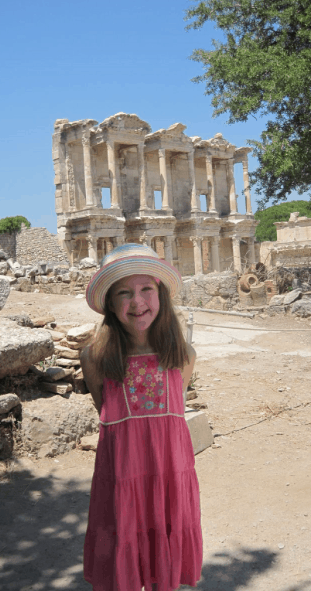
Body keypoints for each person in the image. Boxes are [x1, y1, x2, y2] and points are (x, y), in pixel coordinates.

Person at [81, 243, 203, 591]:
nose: (137, 302)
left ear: (161, 294)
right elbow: (106, 411)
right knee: (124, 545)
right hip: (122, 477)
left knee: (165, 545)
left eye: (146, 289)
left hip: (169, 475)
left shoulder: (182, 355)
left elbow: (171, 418)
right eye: (124, 292)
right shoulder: (95, 358)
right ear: (109, 303)